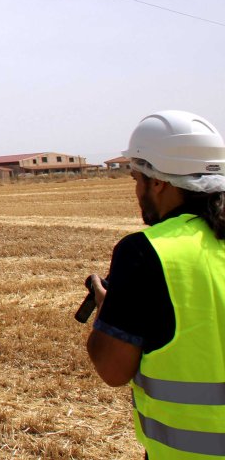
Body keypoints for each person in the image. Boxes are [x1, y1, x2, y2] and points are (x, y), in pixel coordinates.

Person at [85, 110, 225, 458]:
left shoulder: (145, 253)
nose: (137, 190)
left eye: (137, 178)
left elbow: (113, 369)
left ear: (158, 181)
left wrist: (107, 312)